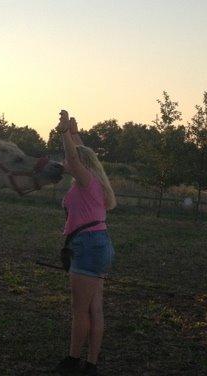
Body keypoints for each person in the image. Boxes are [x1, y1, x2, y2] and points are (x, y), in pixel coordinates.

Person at [54, 111, 117, 375]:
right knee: (94, 309)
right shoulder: (94, 180)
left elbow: (73, 156)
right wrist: (74, 132)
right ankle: (91, 364)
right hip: (98, 244)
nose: (66, 162)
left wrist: (64, 133)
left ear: (80, 163)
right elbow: (80, 153)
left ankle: (73, 360)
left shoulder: (85, 180)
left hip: (87, 246)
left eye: (71, 160)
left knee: (80, 310)